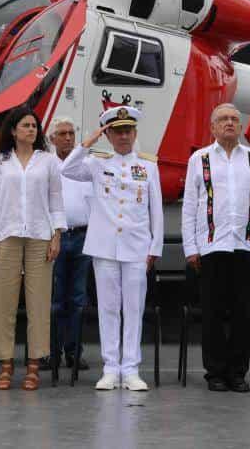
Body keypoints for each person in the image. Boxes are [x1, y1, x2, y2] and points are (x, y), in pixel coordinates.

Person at [62, 106, 164, 391]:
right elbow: (66, 168)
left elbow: (155, 208)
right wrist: (88, 143)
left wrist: (154, 247)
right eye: (117, 131)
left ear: (135, 133)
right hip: (105, 246)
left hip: (136, 246)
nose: (123, 136)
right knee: (108, 309)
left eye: (127, 131)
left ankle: (130, 368)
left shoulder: (148, 166)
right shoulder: (96, 163)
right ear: (108, 135)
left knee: (133, 309)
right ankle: (110, 368)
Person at [182, 103, 250, 393]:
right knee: (211, 312)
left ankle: (237, 372)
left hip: (247, 246)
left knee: (242, 312)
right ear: (212, 127)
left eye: (234, 119)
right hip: (210, 247)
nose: (230, 123)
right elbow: (189, 207)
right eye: (223, 119)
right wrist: (190, 248)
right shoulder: (199, 159)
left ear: (242, 126)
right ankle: (215, 373)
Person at [0, 106, 65, 391]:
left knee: (39, 303)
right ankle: (5, 365)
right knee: (4, 303)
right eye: (26, 125)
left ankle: (34, 365)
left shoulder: (49, 161)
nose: (32, 129)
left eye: (34, 125)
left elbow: (56, 200)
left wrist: (56, 236)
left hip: (41, 234)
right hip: (6, 235)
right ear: (13, 130)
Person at [47, 117, 93, 371]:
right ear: (52, 139)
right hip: (54, 238)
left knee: (78, 299)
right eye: (62, 134)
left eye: (71, 133)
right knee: (53, 299)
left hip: (83, 237)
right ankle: (50, 353)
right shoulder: (46, 166)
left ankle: (74, 352)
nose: (67, 138)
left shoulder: (87, 165)